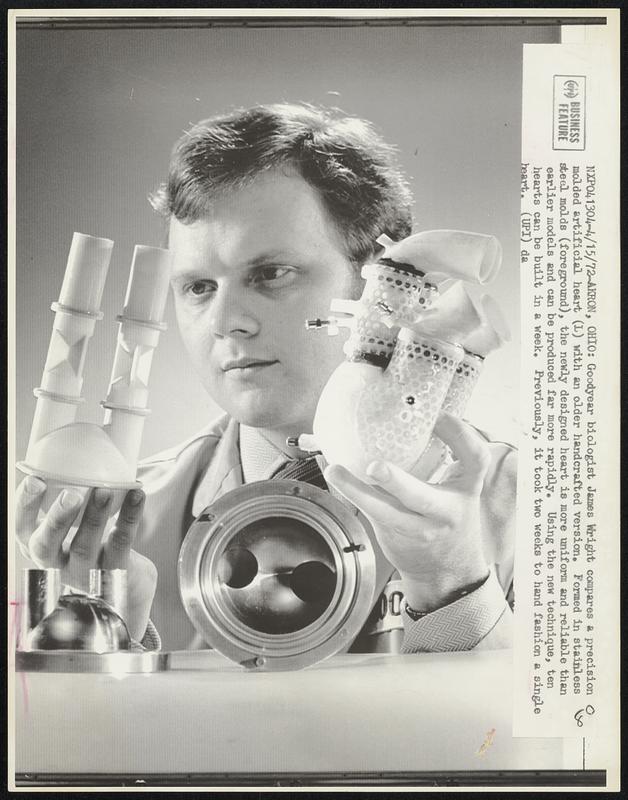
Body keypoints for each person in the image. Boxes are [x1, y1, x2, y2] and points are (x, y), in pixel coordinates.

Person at [15, 102, 516, 654]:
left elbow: (557, 737)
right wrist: (110, 646)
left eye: (272, 273)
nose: (227, 322)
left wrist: (455, 588)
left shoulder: (531, 507)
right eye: (199, 287)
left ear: (382, 275)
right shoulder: (123, 527)